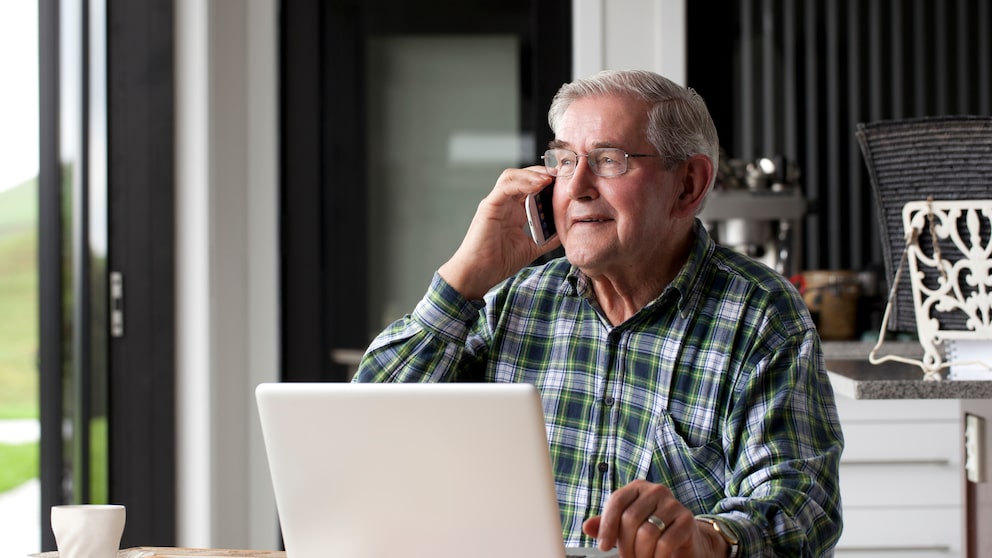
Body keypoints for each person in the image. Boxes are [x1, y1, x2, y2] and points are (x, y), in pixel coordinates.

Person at [354, 69, 843, 557]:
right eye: (565, 161)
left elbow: (802, 504)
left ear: (688, 185)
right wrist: (466, 277)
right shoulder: (513, 301)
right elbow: (366, 431)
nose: (579, 187)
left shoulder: (761, 314)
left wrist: (708, 539)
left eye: (609, 160)